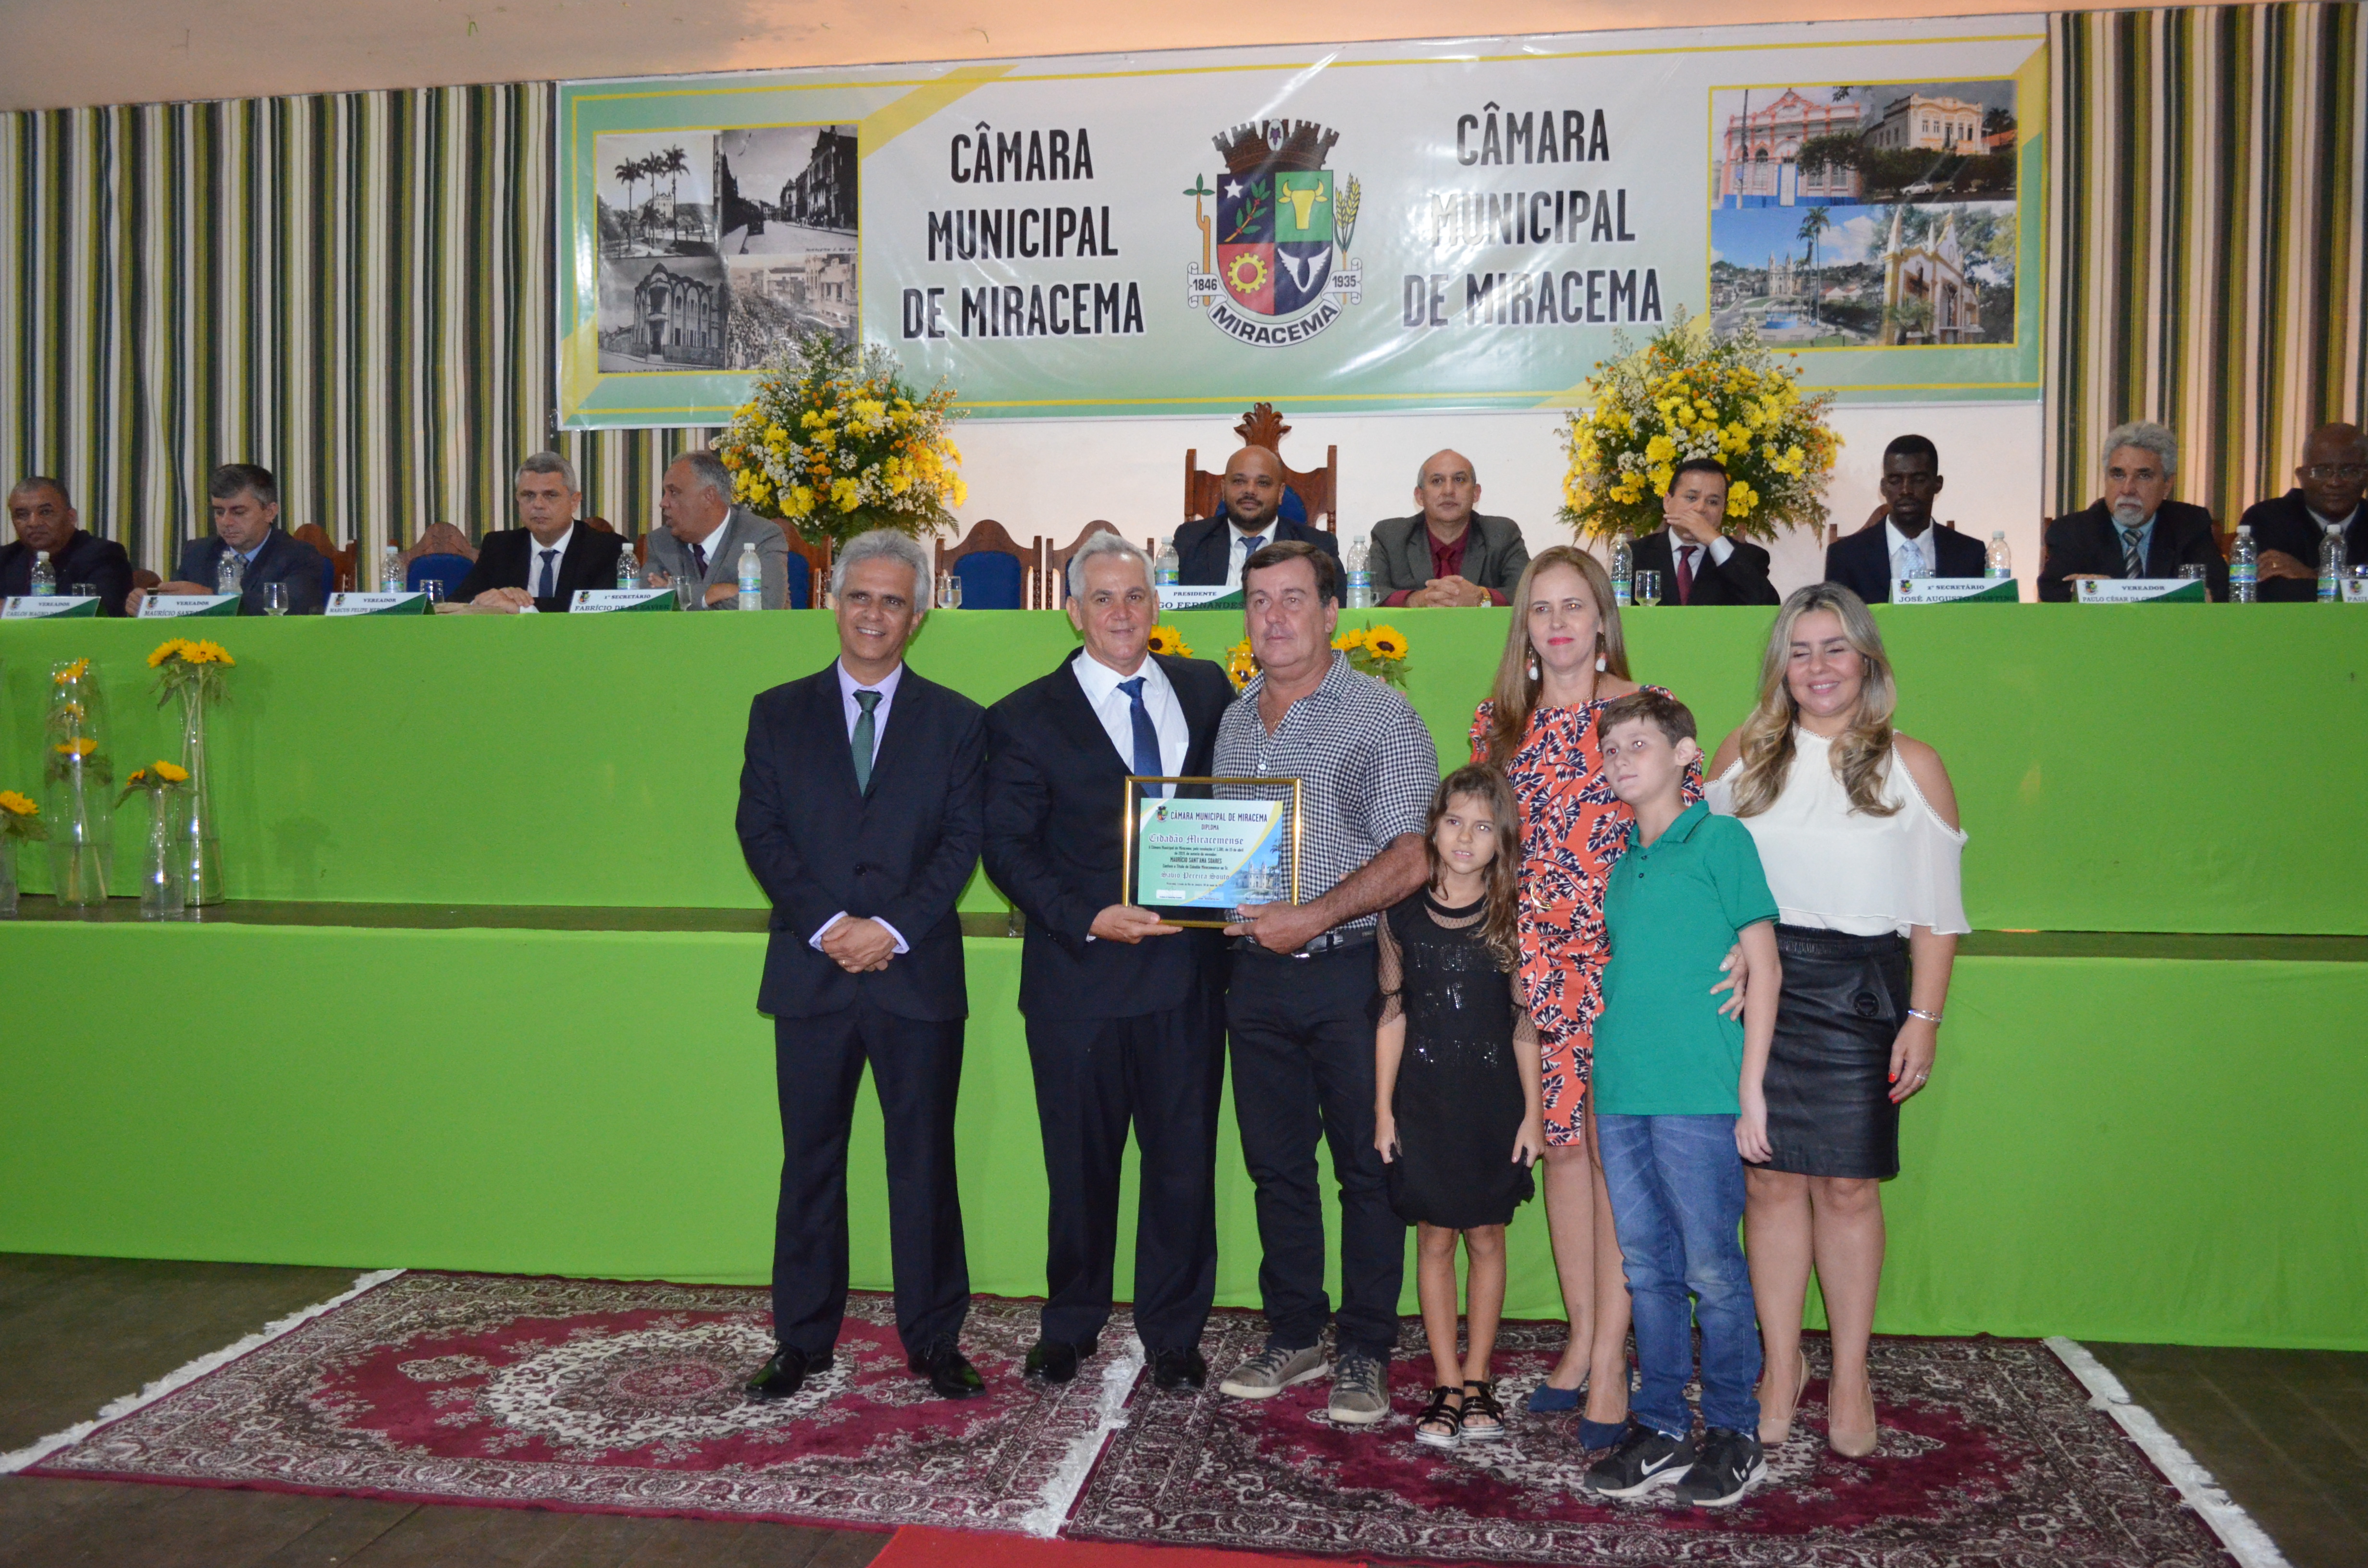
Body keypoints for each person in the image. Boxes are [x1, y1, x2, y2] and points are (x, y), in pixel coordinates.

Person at [1466, 544, 1746, 1446]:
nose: (1557, 624)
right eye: (1541, 608)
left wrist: (1734, 940)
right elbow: (1497, 851)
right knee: (1560, 1148)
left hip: (1629, 960)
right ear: (1524, 625)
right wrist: (1505, 946)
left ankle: (1614, 1368)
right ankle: (1585, 1339)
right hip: (1536, 964)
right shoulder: (1498, 723)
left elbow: (1686, 837)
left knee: (1608, 1152)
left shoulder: (1640, 711)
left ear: (1601, 617)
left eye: (1573, 606)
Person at [1706, 583, 1966, 1458]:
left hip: (1862, 993)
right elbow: (1706, 872)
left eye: (1835, 648)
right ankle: (1781, 1366)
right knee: (1770, 1183)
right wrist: (1732, 951)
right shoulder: (1742, 754)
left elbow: (1937, 911)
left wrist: (1923, 1016)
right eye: (1800, 651)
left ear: (1867, 659)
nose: (1817, 667)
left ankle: (1850, 1372)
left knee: (1849, 1188)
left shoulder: (1914, 764)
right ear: (1780, 665)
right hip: (1763, 991)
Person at [981, 533, 1237, 1393]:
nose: (1122, 613)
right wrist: (1086, 915)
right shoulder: (1022, 715)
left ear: (1156, 604)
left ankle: (1174, 1334)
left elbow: (1237, 803)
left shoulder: (1206, 688)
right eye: (1103, 598)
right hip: (1078, 982)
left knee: (1182, 1167)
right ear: (1072, 611)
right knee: (1079, 1168)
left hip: (1188, 980)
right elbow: (1006, 848)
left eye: (1135, 596)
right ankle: (1071, 1323)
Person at [735, 529, 987, 1402]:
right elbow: (760, 830)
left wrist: (891, 929)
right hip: (811, 975)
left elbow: (963, 842)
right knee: (810, 1162)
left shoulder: (958, 721)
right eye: (859, 596)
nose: (873, 614)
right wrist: (830, 925)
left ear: (917, 618)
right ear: (833, 603)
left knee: (924, 1164)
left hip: (915, 976)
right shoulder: (777, 712)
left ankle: (934, 1339)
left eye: (892, 601)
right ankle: (802, 1340)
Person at [1210, 539, 1438, 1426]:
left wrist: (1311, 916)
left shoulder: (1381, 715)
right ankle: (1295, 1331)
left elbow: (1413, 855)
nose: (1274, 618)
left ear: (1333, 612)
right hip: (1253, 979)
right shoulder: (1234, 722)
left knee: (1366, 1167)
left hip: (1350, 977)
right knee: (1275, 1168)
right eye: (1259, 600)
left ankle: (1366, 1349)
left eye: (1293, 598)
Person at [1583, 689, 1782, 1508]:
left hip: (1699, 1093)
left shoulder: (1722, 839)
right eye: (1610, 748)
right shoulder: (1620, 859)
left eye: (1639, 743)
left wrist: (1750, 1092)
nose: (1621, 758)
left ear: (1685, 754)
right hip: (1622, 1090)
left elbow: (1764, 966)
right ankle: (1661, 1424)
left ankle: (1735, 1432)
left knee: (1711, 1267)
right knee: (1646, 1266)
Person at [1372, 764, 1543, 1450]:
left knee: (1486, 1237)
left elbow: (1524, 1020)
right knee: (1435, 1239)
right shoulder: (1401, 916)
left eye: (1482, 827)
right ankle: (1444, 1383)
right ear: (1433, 828)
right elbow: (1392, 1011)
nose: (1465, 838)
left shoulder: (1512, 915)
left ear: (1502, 841)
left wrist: (1533, 1114)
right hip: (1423, 1102)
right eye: (1453, 823)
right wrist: (1383, 1111)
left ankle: (1478, 1380)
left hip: (1493, 1104)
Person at [2038, 421, 2228, 601]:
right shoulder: (2073, 531)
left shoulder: (2189, 525)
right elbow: (2052, 590)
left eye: (2143, 476)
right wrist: (2082, 589)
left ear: (2167, 485)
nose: (2128, 489)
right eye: (2118, 475)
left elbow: (2220, 590)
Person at [128, 464, 329, 615]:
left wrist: (209, 599)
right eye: (219, 512)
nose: (226, 522)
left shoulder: (298, 555)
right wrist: (149, 605)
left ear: (270, 512)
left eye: (238, 512)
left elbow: (295, 608)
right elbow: (175, 610)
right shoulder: (199, 553)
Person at [1822, 436, 1988, 604]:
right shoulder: (1846, 556)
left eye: (1918, 480)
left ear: (1938, 484)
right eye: (1895, 481)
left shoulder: (1971, 554)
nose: (1906, 490)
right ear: (1883, 487)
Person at [453, 453, 626, 612]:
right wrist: (486, 600)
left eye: (550, 495)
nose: (538, 505)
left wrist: (521, 608)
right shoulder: (500, 546)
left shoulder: (608, 549)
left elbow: (599, 608)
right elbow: (458, 601)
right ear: (518, 500)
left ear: (574, 501)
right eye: (529, 495)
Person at [1370, 450, 1531, 607]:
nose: (1448, 491)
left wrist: (1481, 597)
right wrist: (1414, 600)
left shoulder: (1502, 534)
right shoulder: (1390, 536)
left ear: (1476, 493)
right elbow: (1369, 593)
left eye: (1459, 480)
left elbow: (1528, 592)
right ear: (1420, 496)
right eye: (1437, 481)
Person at [1173, 446, 1342, 588]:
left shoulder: (1318, 547)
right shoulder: (1190, 541)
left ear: (1280, 493)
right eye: (1239, 481)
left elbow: (1338, 609)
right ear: (1224, 489)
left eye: (1262, 483)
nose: (1250, 490)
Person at [645, 450, 794, 609]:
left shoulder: (761, 535)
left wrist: (684, 596)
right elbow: (644, 604)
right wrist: (717, 592)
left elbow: (766, 605)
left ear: (709, 496)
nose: (664, 503)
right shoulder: (661, 541)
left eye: (674, 492)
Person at [2238, 422, 2367, 602]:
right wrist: (2352, 589)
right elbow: (2269, 593)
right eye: (2321, 471)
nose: (2335, 482)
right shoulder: (2267, 518)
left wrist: (2313, 577)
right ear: (2301, 476)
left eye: (2349, 471)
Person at [1628, 459, 1779, 607]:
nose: (1700, 508)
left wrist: (1714, 541)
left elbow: (1768, 606)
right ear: (1667, 502)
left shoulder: (1749, 558)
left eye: (1713, 502)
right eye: (1691, 498)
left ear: (1723, 509)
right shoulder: (1634, 554)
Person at [1, 477, 132, 615]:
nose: (33, 523)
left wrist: (12, 609)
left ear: (71, 517)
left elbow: (102, 612)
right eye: (22, 515)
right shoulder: (6, 557)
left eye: (45, 512)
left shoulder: (104, 555)